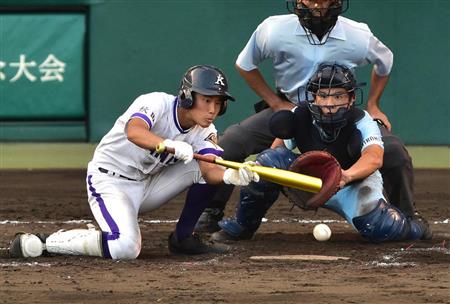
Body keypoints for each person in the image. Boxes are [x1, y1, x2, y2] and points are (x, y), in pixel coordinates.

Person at [195, 0, 420, 233]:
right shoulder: (273, 29)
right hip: (292, 108)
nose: (314, 4)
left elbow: (385, 63)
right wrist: (275, 102)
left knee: (393, 150)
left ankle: (408, 214)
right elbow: (245, 64)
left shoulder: (358, 35)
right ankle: (210, 210)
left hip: (340, 112)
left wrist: (373, 104)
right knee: (233, 140)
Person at [9, 65, 259, 260]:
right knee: (125, 248)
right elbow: (135, 132)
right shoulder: (155, 103)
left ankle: (183, 239)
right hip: (110, 181)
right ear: (187, 96)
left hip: (147, 186)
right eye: (206, 100)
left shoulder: (205, 130)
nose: (212, 109)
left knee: (203, 165)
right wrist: (169, 144)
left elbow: (208, 168)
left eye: (218, 103)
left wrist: (229, 177)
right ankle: (45, 242)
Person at [211, 63, 432, 243]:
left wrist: (345, 176)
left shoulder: (362, 120)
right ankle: (242, 226)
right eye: (323, 96)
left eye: (338, 97)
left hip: (352, 185)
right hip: (313, 180)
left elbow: (374, 157)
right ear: (313, 98)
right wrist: (287, 179)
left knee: (380, 228)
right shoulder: (300, 114)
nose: (329, 104)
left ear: (352, 98)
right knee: (266, 163)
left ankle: (413, 227)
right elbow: (276, 150)